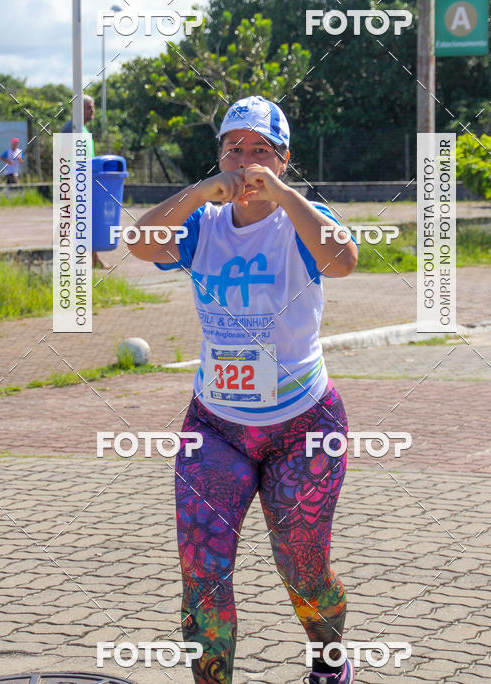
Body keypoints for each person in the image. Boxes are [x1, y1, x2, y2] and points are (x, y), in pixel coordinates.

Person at [129, 96, 358, 684]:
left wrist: (284, 197)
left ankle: (329, 663)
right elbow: (139, 242)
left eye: (262, 151)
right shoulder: (202, 224)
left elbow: (345, 260)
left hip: (304, 426)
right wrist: (202, 192)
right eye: (235, 148)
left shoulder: (301, 218)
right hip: (216, 427)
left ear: (284, 161)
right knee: (202, 569)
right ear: (220, 157)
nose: (247, 161)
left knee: (302, 566)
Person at [62, 95, 109, 269]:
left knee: (88, 221)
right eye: (90, 107)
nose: (93, 111)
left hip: (87, 182)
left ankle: (93, 259)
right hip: (74, 183)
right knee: (75, 222)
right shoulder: (71, 129)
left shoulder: (85, 130)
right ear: (79, 109)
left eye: (93, 107)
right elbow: (63, 155)